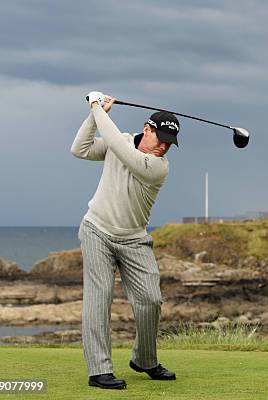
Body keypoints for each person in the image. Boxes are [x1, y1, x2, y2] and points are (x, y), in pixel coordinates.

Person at [70, 91, 179, 389]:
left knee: (151, 299)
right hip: (97, 231)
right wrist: (95, 115)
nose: (164, 146)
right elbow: (80, 149)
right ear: (147, 129)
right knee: (98, 298)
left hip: (134, 239)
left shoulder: (158, 167)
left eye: (170, 142)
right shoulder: (122, 142)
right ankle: (99, 370)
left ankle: (144, 359)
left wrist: (96, 106)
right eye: (161, 138)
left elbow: (118, 144)